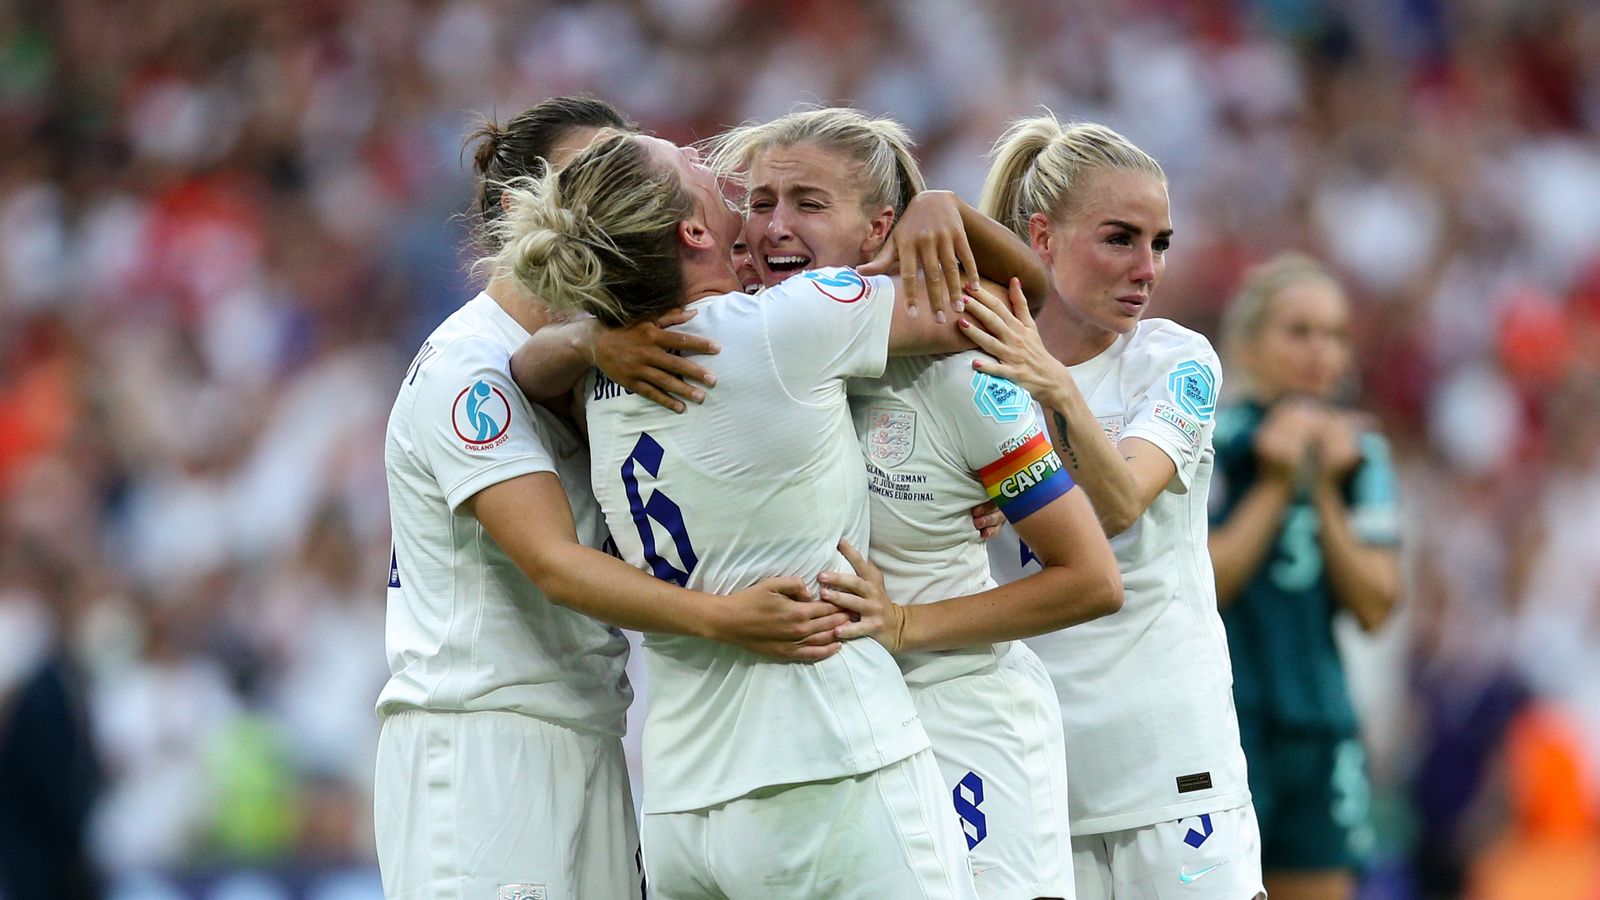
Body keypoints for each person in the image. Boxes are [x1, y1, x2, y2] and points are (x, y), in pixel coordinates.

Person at [489, 127, 994, 898]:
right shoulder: (787, 323)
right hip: (829, 764)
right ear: (693, 229)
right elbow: (994, 308)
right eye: (689, 165)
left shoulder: (597, 378)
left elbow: (526, 368)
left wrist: (588, 338)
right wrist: (943, 211)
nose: (708, 164)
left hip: (685, 805)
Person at [376, 97, 855, 899]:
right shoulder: (468, 369)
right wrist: (724, 619)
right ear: (518, 211)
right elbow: (555, 566)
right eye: (587, 173)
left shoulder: (617, 351)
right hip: (483, 747)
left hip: (587, 727)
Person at [711, 106, 1124, 900]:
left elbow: (1090, 577)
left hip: (964, 716)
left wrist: (906, 624)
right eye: (760, 203)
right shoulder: (753, 356)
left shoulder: (959, 373)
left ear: (880, 231)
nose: (774, 226)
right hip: (836, 735)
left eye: (807, 202)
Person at [957, 115, 1266, 900]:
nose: (1147, 268)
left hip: (1171, 775)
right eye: (1120, 238)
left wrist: (1050, 384)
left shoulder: (1175, 360)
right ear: (1043, 236)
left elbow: (1122, 501)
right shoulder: (961, 375)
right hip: (1033, 775)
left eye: (1160, 242)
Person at [1208, 253, 1401, 900]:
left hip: (1320, 724)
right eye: (1300, 331)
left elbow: (1377, 606)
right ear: (1248, 342)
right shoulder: (1207, 439)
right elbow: (1202, 588)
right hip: (1225, 722)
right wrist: (1273, 484)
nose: (1322, 351)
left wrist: (1318, 491)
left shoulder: (1360, 455)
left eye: (1336, 334)